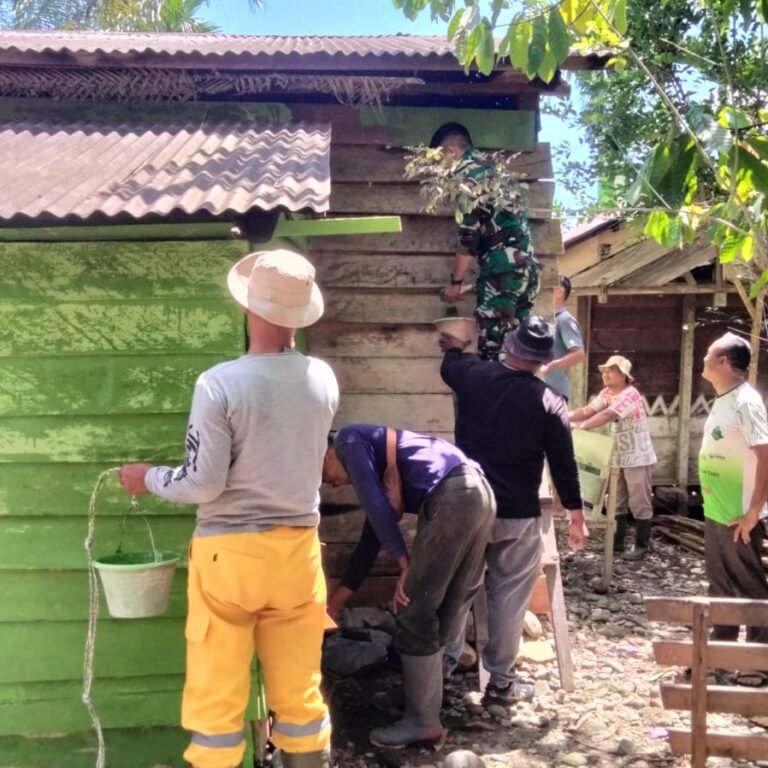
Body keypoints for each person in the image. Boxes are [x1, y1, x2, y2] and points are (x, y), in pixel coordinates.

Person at [118, 249, 339, 768]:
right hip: (298, 554)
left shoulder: (220, 383)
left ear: (249, 309)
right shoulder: (323, 379)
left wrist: (146, 477)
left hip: (229, 557)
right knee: (301, 697)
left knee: (216, 706)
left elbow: (202, 483)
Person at [439, 316, 588, 704]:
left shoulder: (474, 376)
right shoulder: (550, 403)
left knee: (457, 589)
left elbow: (449, 365)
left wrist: (455, 344)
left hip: (470, 507)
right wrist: (576, 515)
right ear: (543, 362)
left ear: (509, 348)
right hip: (519, 515)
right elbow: (564, 463)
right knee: (509, 598)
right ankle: (501, 682)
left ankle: (439, 669)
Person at [323, 424, 495, 748]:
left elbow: (375, 506)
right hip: (481, 496)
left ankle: (422, 721)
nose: (329, 484)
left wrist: (404, 563)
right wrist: (333, 606)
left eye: (322, 472)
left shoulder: (347, 439)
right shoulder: (381, 466)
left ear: (326, 451)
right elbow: (369, 543)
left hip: (457, 498)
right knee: (441, 609)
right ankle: (423, 699)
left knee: (412, 608)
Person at [433, 121, 541, 362]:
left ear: (451, 152)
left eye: (440, 161)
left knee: (494, 354)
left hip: (502, 272)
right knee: (519, 351)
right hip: (527, 270)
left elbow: (468, 239)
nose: (440, 169)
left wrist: (456, 282)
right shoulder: (495, 172)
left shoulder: (469, 176)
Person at [699, 332, 768, 683]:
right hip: (717, 511)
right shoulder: (724, 398)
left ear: (724, 362)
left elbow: (764, 453)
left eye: (710, 354)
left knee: (750, 588)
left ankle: (757, 663)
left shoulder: (746, 401)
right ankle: (722, 657)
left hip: (740, 515)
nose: (704, 359)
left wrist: (754, 511)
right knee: (721, 586)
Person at [568, 355, 657, 560]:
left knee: (640, 502)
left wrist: (580, 427)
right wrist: (564, 416)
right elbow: (589, 410)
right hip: (617, 455)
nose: (605, 374)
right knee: (616, 501)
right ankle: (616, 544)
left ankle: (642, 546)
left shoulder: (630, 395)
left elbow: (607, 415)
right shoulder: (607, 392)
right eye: (604, 370)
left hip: (637, 456)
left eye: (611, 370)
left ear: (624, 376)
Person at [540, 275, 585, 401]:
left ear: (559, 291)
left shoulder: (564, 320)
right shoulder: (546, 319)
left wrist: (551, 366)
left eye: (548, 288)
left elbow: (579, 354)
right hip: (540, 390)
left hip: (554, 393)